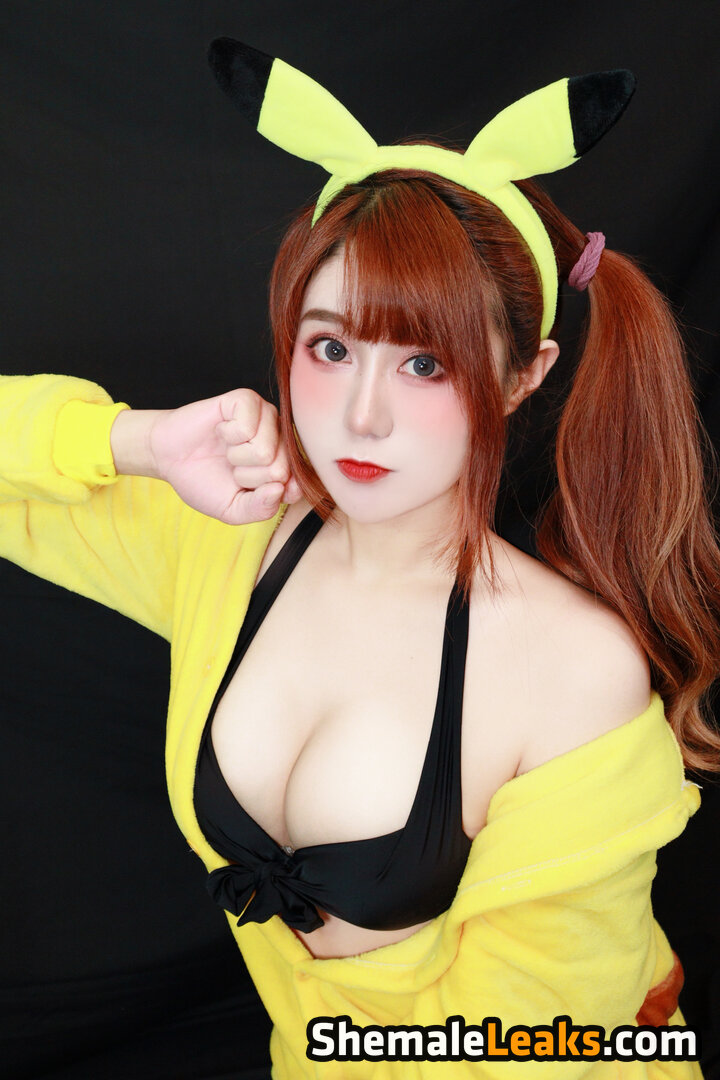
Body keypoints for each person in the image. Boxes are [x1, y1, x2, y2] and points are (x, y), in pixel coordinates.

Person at [2, 38, 719, 1078]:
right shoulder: (232, 538)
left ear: (523, 375)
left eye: (425, 361)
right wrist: (137, 442)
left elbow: (535, 1050)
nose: (362, 416)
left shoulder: (574, 671)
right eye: (330, 347)